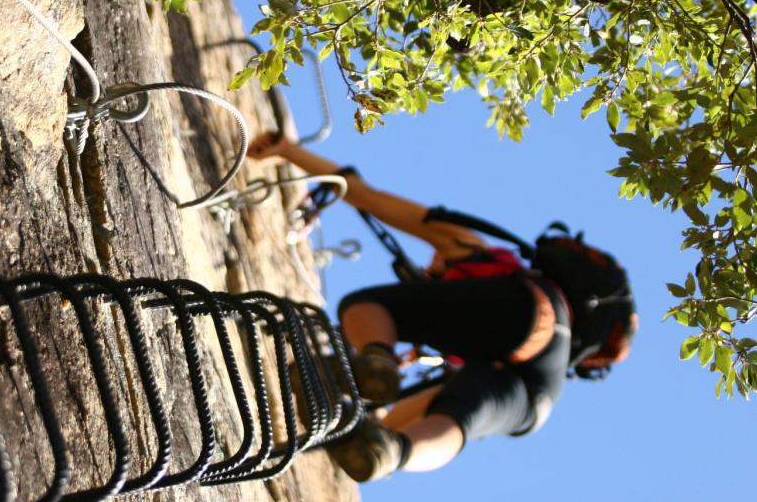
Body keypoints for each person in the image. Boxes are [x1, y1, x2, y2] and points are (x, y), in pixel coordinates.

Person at [247, 133, 637, 482]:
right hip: (538, 394)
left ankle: (377, 357)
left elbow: (365, 195)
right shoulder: (475, 353)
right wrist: (370, 430)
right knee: (457, 418)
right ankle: (391, 453)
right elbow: (407, 415)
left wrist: (288, 151)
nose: (428, 268)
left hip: (530, 306)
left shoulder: (470, 249)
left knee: (365, 305)